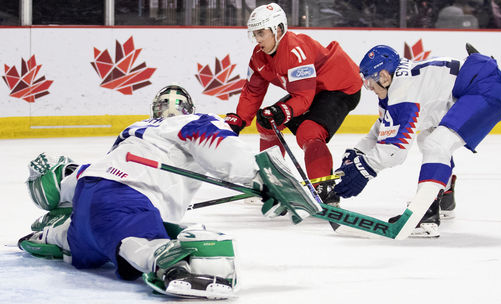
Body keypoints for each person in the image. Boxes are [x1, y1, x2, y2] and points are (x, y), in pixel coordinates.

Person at [17, 84, 320, 299]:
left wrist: (58, 189)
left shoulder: (135, 130)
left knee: (87, 234)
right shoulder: (193, 122)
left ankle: (50, 235)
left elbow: (82, 178)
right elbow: (218, 145)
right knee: (135, 240)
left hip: (91, 196)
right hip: (127, 197)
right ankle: (167, 261)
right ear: (188, 109)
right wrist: (261, 178)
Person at [333, 44, 501, 238]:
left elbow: (394, 151)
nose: (369, 88)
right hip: (479, 85)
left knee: (436, 144)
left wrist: (364, 169)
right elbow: (382, 129)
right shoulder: (397, 83)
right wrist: (357, 154)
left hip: (486, 89)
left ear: (384, 76)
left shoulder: (402, 90)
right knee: (427, 137)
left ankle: (425, 215)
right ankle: (443, 196)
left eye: (370, 83)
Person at [223, 3, 363, 207]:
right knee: (266, 122)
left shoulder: (296, 50)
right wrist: (240, 120)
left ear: (278, 30)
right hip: (312, 89)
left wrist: (284, 111)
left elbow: (304, 97)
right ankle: (272, 178)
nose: (258, 39)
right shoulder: (258, 56)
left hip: (340, 85)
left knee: (309, 131)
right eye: (255, 34)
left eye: (261, 33)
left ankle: (324, 188)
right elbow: (253, 91)